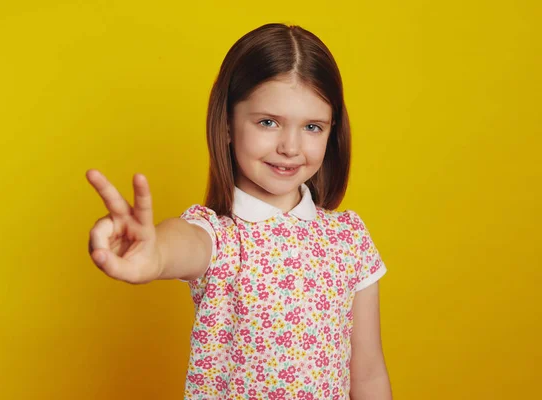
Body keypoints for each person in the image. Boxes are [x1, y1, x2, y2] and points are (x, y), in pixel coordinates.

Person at [86, 23, 392, 400]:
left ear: (333, 132)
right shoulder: (220, 237)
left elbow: (368, 373)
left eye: (312, 127)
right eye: (268, 122)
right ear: (228, 124)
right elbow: (183, 244)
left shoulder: (349, 239)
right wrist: (155, 253)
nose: (290, 147)